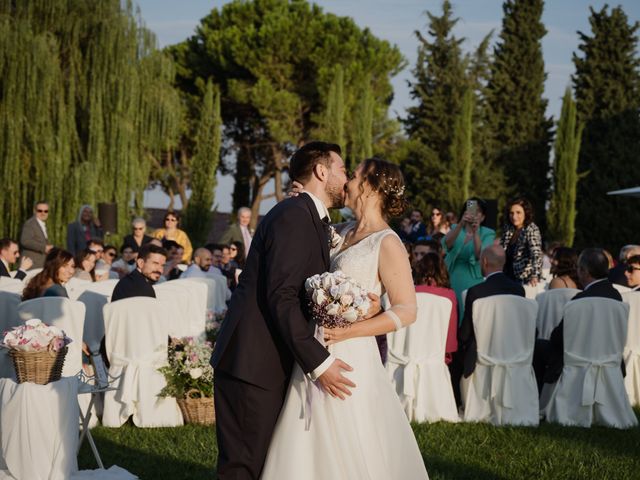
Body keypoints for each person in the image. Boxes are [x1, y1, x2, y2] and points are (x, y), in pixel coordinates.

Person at [260, 156, 428, 479]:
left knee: (353, 433)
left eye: (353, 175)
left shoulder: (388, 242)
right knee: (305, 430)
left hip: (353, 352)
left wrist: (354, 330)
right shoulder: (342, 231)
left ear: (368, 185)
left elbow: (407, 309)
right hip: (317, 346)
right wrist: (302, 200)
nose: (346, 181)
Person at [534, 248, 624, 389]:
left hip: (579, 361)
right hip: (609, 359)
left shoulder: (580, 300)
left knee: (538, 346)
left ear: (585, 272)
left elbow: (558, 338)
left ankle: (539, 397)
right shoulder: (617, 297)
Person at [458, 245, 525, 381]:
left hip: (482, 361)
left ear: (484, 262)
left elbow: (465, 334)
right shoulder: (519, 290)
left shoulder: (476, 292)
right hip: (514, 355)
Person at [443, 197, 496, 319]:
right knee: (451, 312)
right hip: (452, 276)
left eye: (478, 211)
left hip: (473, 279)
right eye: (471, 210)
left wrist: (475, 232)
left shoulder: (487, 233)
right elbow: (447, 244)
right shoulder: (455, 228)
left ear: (482, 217)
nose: (474, 214)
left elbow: (480, 255)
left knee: (469, 314)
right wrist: (460, 224)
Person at [414, 252, 458, 365]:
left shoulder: (412, 292)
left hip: (412, 350)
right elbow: (451, 328)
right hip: (438, 354)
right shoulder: (449, 295)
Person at [500, 197, 543, 286]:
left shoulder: (531, 228)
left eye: (518, 212)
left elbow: (536, 254)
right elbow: (501, 251)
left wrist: (535, 275)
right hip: (506, 277)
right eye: (511, 213)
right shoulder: (508, 229)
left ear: (526, 213)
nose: (514, 216)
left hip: (524, 280)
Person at [19, 200, 53, 269]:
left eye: (46, 211)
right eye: (40, 211)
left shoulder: (42, 225)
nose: (43, 213)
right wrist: (43, 248)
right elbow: (25, 241)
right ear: (35, 211)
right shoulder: (30, 224)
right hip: (31, 264)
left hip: (40, 264)